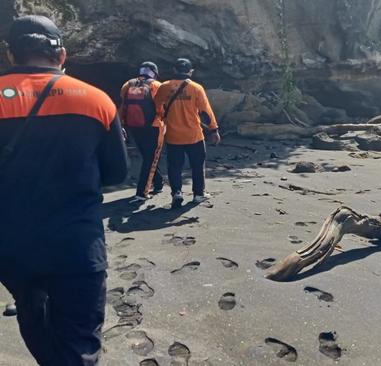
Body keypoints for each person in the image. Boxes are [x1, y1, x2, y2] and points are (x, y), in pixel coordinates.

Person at [0, 15, 128, 365]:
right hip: (76, 243)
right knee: (80, 340)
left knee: (32, 309)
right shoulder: (96, 100)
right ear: (62, 54)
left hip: (10, 244)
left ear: (10, 54)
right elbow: (118, 172)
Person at [154, 58, 220, 208]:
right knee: (197, 165)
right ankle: (198, 194)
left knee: (174, 166)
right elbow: (205, 111)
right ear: (190, 72)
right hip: (194, 135)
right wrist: (214, 130)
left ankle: (177, 193)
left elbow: (157, 108)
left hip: (172, 136)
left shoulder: (164, 87)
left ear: (174, 70)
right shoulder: (196, 88)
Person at [119, 61, 164, 201]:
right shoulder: (156, 86)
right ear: (154, 73)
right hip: (153, 127)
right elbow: (161, 108)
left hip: (133, 126)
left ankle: (158, 183)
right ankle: (141, 193)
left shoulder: (128, 84)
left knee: (147, 156)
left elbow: (122, 106)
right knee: (151, 158)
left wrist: (121, 125)